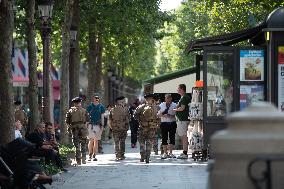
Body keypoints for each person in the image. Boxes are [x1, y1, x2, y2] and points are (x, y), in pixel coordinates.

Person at [134, 94, 160, 163]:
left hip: (142, 127)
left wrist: (141, 119)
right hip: (152, 128)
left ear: (146, 99)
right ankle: (147, 157)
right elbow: (159, 117)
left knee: (142, 142)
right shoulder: (157, 107)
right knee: (149, 142)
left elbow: (135, 116)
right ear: (152, 99)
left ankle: (142, 157)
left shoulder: (141, 107)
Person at [65, 97, 89, 165]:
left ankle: (79, 160)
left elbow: (67, 122)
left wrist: (69, 129)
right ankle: (83, 159)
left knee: (77, 146)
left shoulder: (70, 111)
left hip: (75, 129)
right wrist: (85, 128)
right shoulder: (84, 110)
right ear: (80, 103)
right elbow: (87, 121)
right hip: (82, 129)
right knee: (83, 145)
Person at [173, 84, 191, 159]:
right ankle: (184, 151)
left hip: (183, 120)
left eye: (178, 88)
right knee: (183, 136)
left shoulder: (184, 97)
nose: (177, 90)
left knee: (183, 136)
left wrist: (175, 110)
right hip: (183, 119)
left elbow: (182, 108)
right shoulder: (184, 97)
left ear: (182, 89)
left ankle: (185, 153)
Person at [109, 96, 130, 161]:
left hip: (115, 128)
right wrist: (127, 127)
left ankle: (117, 155)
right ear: (120, 102)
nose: (124, 102)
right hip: (123, 128)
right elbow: (128, 119)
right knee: (122, 142)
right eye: (123, 101)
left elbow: (110, 120)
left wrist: (112, 127)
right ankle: (122, 155)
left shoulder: (112, 110)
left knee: (116, 142)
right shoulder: (126, 109)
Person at [157, 94, 177, 159]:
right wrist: (163, 115)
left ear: (171, 98)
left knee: (172, 137)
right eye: (167, 98)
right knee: (164, 138)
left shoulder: (174, 105)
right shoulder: (161, 105)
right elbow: (157, 115)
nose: (168, 99)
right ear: (165, 99)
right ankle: (165, 153)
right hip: (164, 123)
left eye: (169, 98)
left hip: (172, 122)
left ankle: (171, 153)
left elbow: (177, 114)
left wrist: (172, 116)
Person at [86, 95, 105, 161]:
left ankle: (94, 155)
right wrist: (86, 125)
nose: (97, 99)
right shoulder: (89, 107)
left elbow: (102, 117)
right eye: (95, 98)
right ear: (93, 99)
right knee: (91, 140)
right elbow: (87, 116)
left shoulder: (101, 107)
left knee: (96, 140)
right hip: (90, 125)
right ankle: (90, 154)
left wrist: (102, 126)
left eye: (98, 98)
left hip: (98, 125)